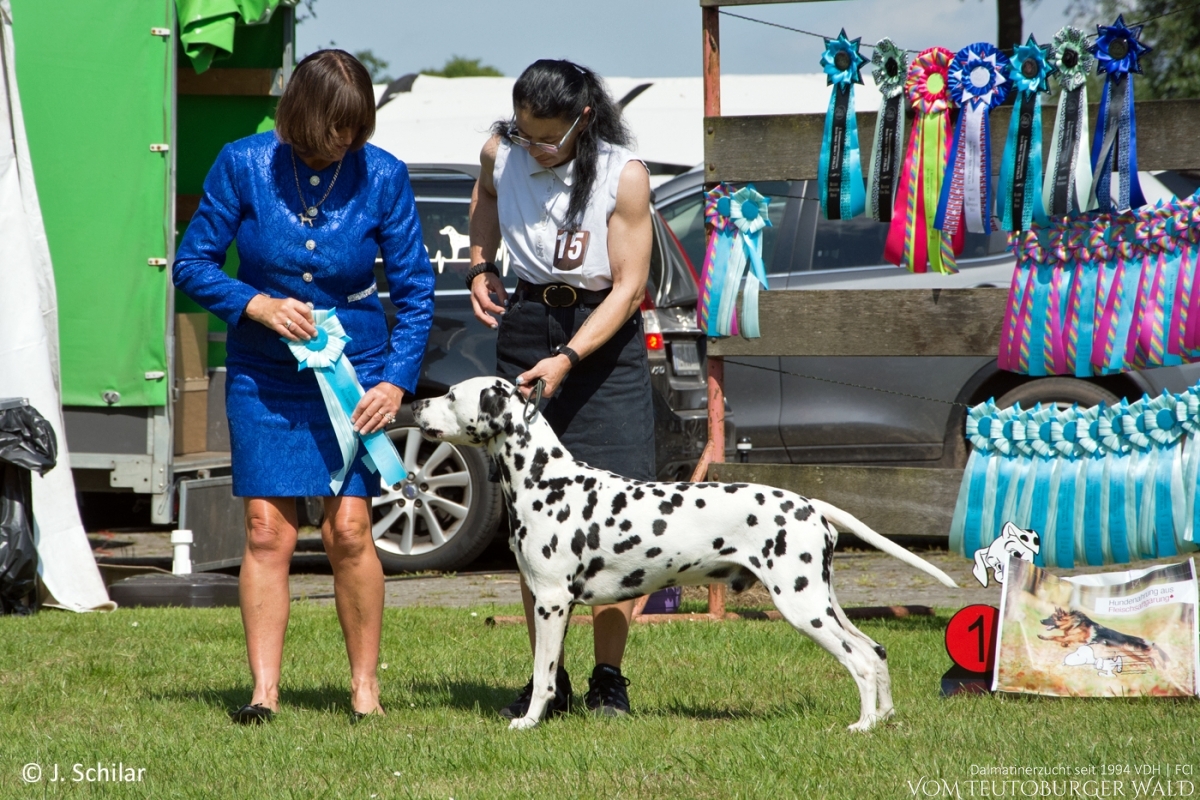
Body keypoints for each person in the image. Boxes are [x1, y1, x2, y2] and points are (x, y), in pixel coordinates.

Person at [172, 50, 434, 724]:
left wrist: (397, 382)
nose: (341, 143)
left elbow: (415, 291)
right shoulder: (243, 162)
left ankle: (365, 691)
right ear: (298, 117)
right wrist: (254, 304)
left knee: (349, 529)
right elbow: (191, 264)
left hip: (357, 377)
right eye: (330, 130)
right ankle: (263, 693)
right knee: (266, 531)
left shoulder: (385, 178)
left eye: (354, 130)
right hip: (265, 376)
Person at [467, 59, 655, 718]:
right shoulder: (501, 151)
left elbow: (629, 286)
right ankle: (548, 679)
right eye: (526, 133)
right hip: (525, 324)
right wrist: (480, 264)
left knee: (618, 519)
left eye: (548, 138)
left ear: (583, 118)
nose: (535, 148)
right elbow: (485, 199)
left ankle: (609, 675)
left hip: (599, 336)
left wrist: (569, 355)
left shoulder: (622, 175)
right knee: (531, 518)